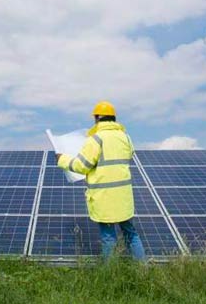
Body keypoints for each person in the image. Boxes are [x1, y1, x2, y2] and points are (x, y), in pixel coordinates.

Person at [56, 101, 146, 261]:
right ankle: (143, 269)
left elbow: (82, 166)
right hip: (124, 197)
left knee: (108, 237)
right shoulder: (126, 137)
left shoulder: (96, 139)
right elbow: (129, 156)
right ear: (114, 118)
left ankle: (109, 274)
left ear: (97, 118)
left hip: (105, 197)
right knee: (131, 233)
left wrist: (62, 159)